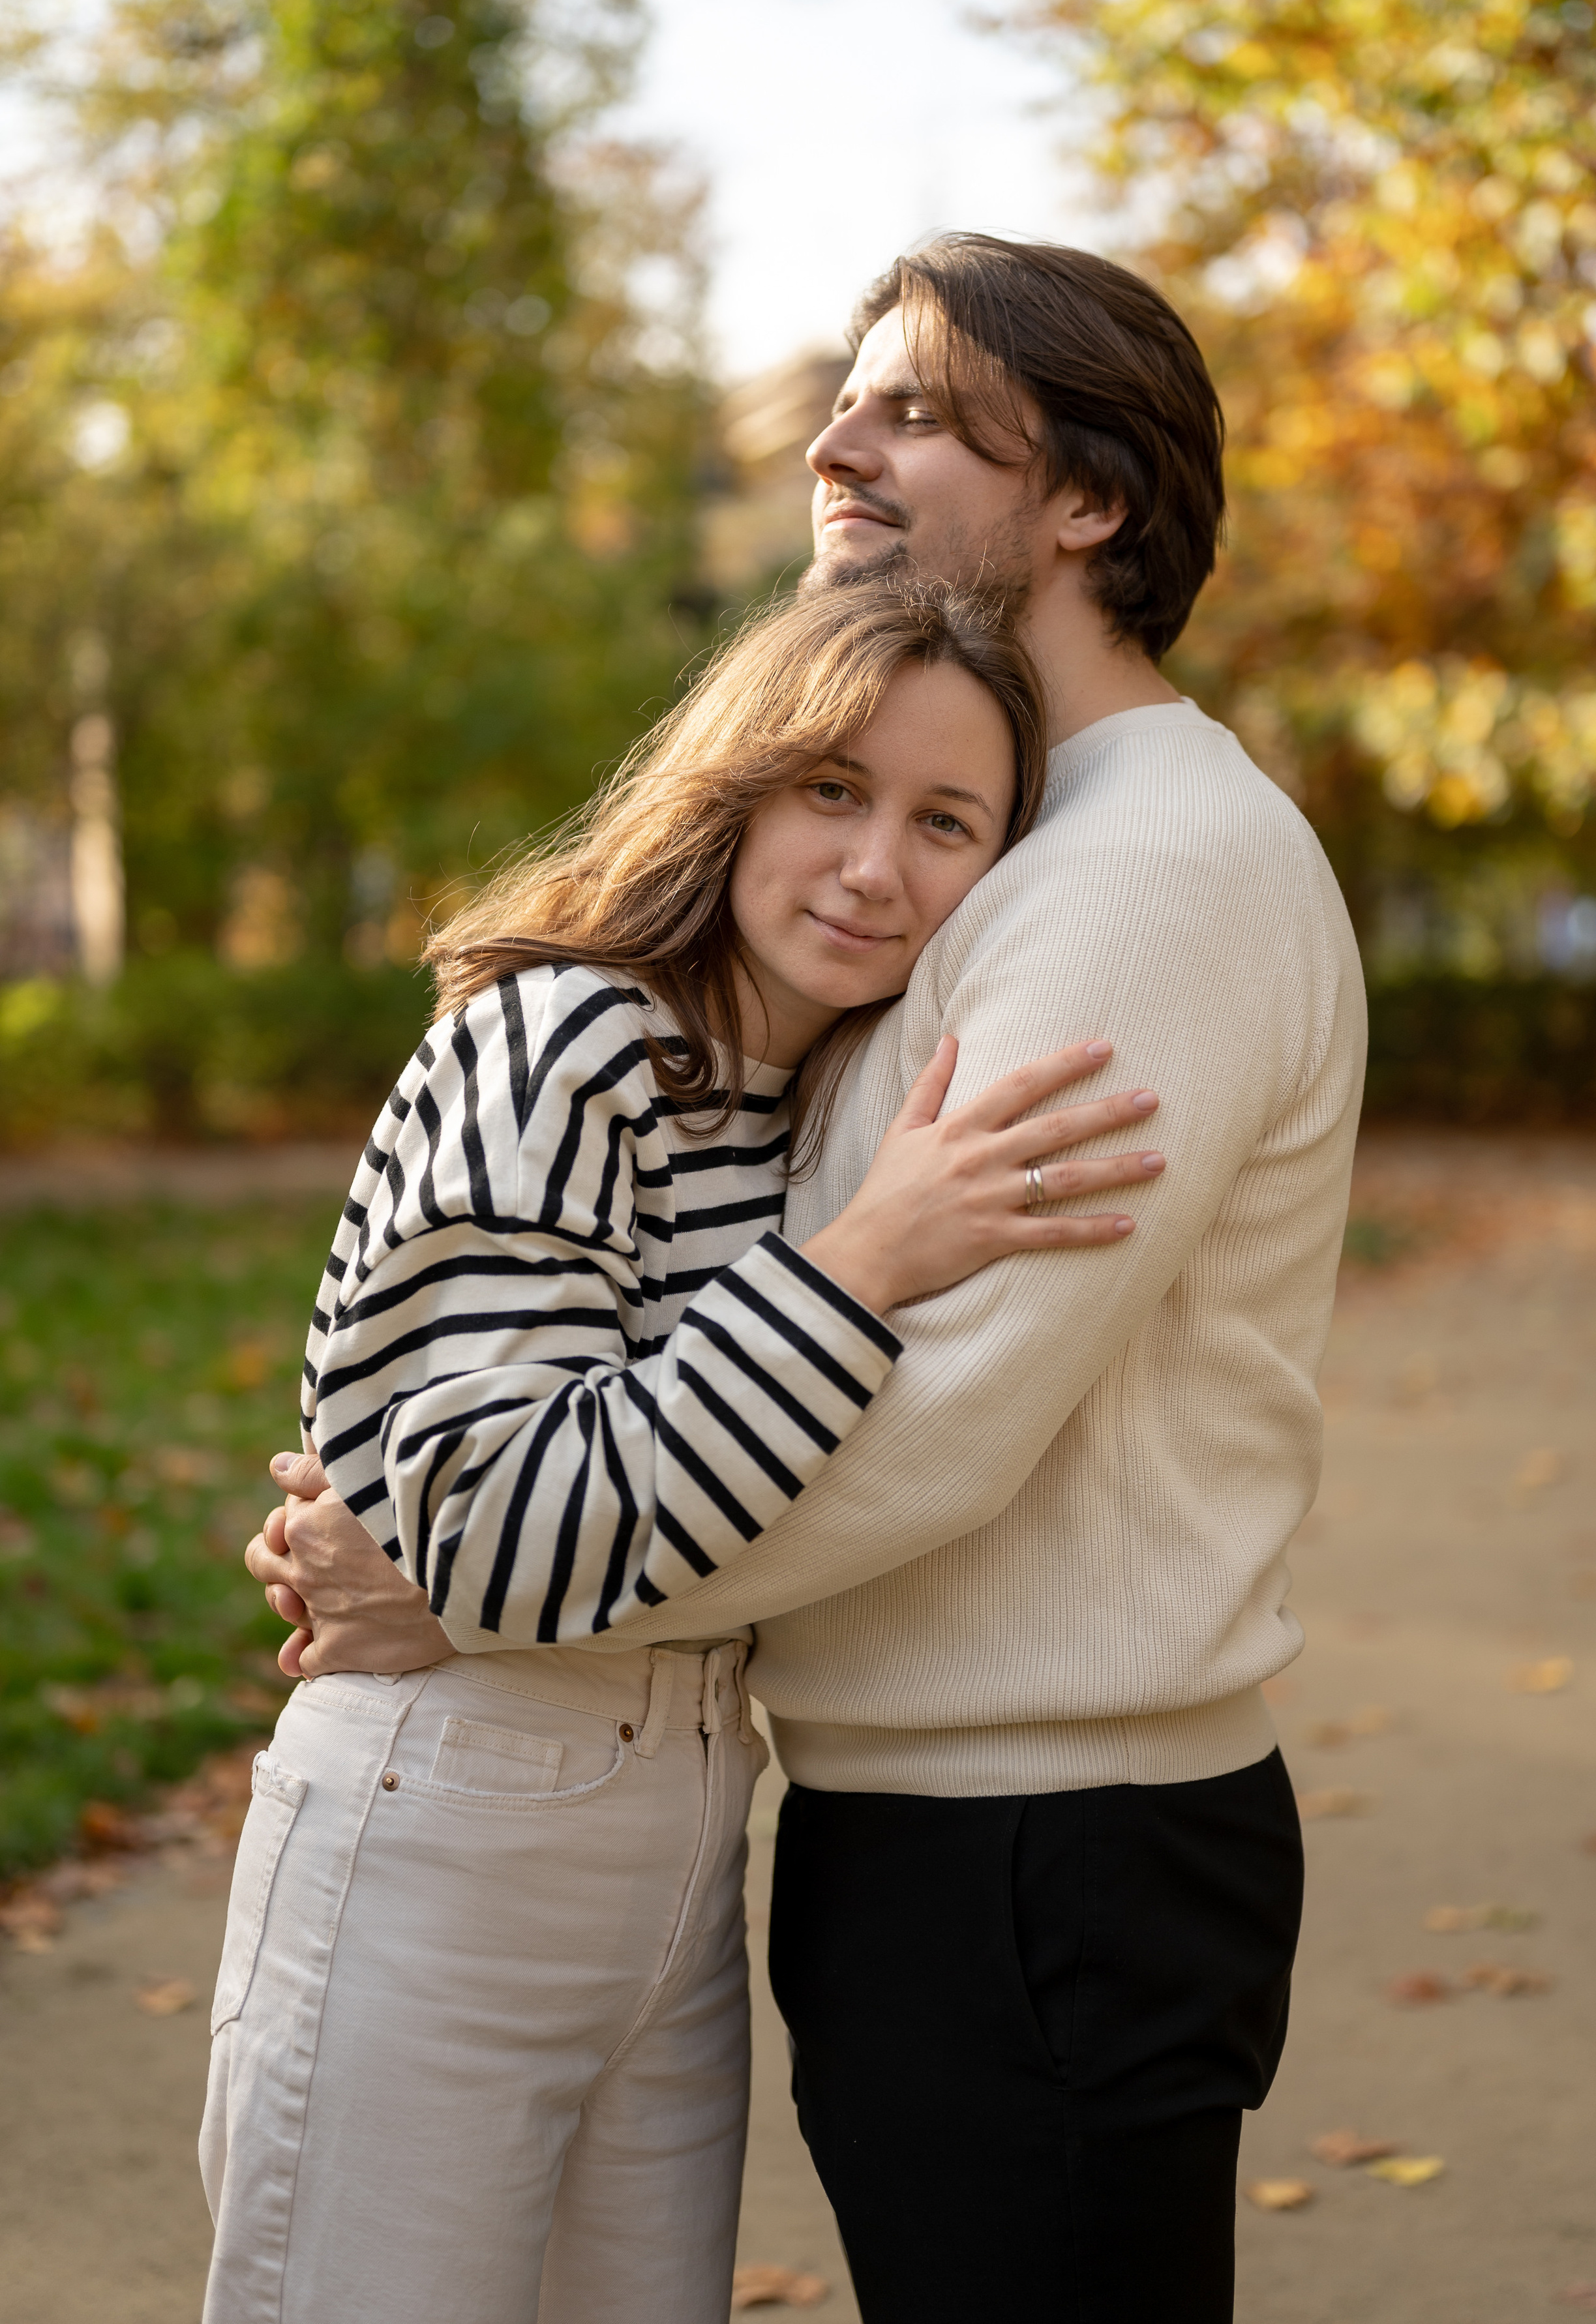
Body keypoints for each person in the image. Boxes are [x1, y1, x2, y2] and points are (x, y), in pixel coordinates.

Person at [259, 233, 1367, 2322]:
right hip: (929, 1822)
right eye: (846, 403)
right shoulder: (1013, 849)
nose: (835, 445)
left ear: (1090, 499)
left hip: (1046, 1838)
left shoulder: (1141, 873)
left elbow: (943, 1412)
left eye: (919, 412)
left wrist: (479, 1578)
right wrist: (473, 1507)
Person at [205, 575, 1167, 2324]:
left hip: (688, 1838)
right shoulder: (564, 1042)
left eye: (945, 821)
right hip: (447, 1828)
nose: (874, 865)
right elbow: (500, 1529)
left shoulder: (817, 1105)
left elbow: (551, 1536)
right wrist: (858, 1267)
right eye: (832, 790)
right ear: (733, 784)